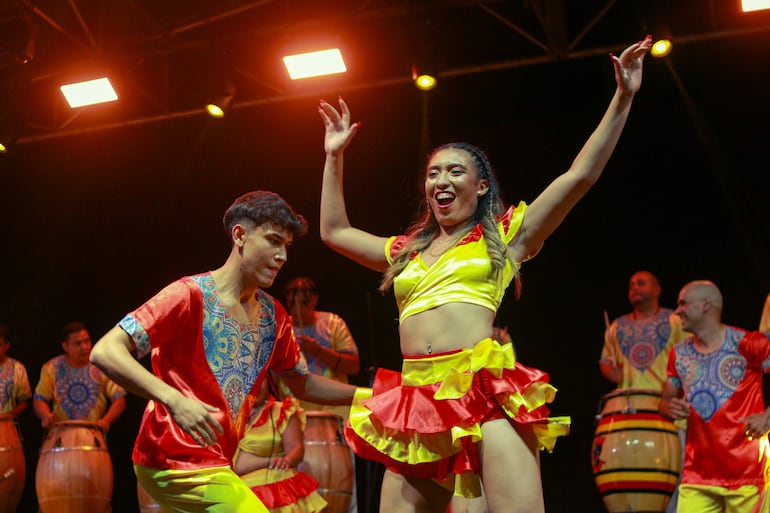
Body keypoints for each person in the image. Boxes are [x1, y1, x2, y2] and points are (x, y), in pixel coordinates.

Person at [317, 34, 652, 513]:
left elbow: (579, 176)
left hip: (481, 390)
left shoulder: (505, 236)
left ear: (480, 185)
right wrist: (334, 155)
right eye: (433, 174)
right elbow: (334, 230)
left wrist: (623, 97)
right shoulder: (406, 250)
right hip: (416, 399)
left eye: (454, 172)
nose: (441, 181)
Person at [89, 190, 360, 513]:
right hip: (171, 457)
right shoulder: (188, 295)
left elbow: (304, 383)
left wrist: (370, 396)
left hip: (218, 462)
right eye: (273, 241)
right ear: (239, 235)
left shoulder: (274, 316)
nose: (282, 256)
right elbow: (105, 351)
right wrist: (173, 399)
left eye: (286, 246)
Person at [660, 280, 770, 513]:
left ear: (706, 304)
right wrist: (667, 406)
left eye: (683, 303)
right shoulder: (678, 354)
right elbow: (665, 399)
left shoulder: (749, 343)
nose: (677, 310)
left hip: (748, 476)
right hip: (697, 478)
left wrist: (768, 416)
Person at [233, 377, 327, 513]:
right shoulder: (227, 417)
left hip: (277, 487)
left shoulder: (281, 411)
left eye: (260, 381)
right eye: (249, 382)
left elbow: (296, 448)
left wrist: (286, 461)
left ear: (269, 382)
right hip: (239, 491)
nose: (255, 387)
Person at [283, 276, 360, 420]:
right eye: (293, 303)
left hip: (335, 406)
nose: (298, 309)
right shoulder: (282, 327)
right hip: (296, 408)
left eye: (304, 303)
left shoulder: (333, 323)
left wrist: (318, 351)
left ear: (315, 299)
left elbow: (353, 367)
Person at [33, 321, 126, 432]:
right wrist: (45, 415)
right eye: (78, 343)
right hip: (60, 437)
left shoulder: (102, 365)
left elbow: (119, 400)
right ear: (65, 346)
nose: (84, 347)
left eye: (86, 341)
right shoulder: (51, 368)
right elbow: (39, 399)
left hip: (94, 434)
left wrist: (106, 420)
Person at [599, 270, 686, 390]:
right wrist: (610, 372)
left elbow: (691, 359)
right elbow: (606, 360)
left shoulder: (677, 322)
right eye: (631, 285)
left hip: (666, 403)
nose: (634, 287)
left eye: (641, 283)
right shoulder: (615, 326)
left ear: (657, 290)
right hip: (626, 403)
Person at [0, 322, 31, 419]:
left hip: (6, 425)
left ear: (7, 345)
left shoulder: (18, 368)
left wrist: (8, 416)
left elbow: (24, 402)